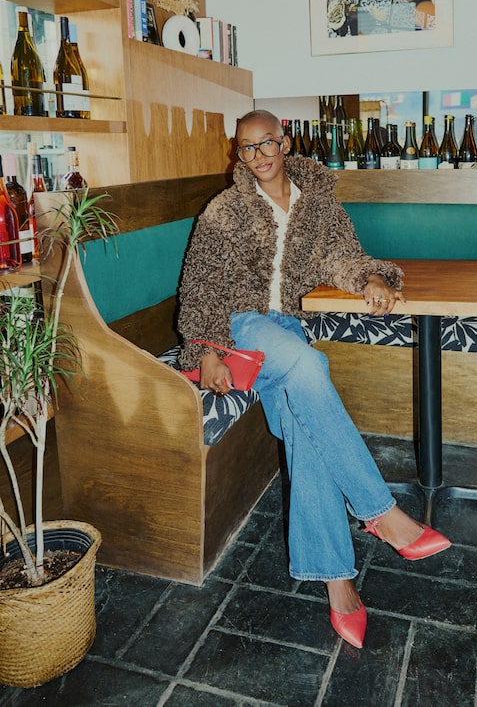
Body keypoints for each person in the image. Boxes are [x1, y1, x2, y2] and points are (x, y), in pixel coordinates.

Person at [177, 109, 451, 648]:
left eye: (266, 143)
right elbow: (199, 285)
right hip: (240, 326)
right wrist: (206, 351)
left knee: (306, 427)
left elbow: (341, 256)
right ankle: (381, 513)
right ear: (238, 154)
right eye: (246, 148)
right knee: (309, 365)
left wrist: (371, 278)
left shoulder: (319, 202)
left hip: (286, 331)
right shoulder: (224, 210)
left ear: (285, 143)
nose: (258, 156)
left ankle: (338, 583)